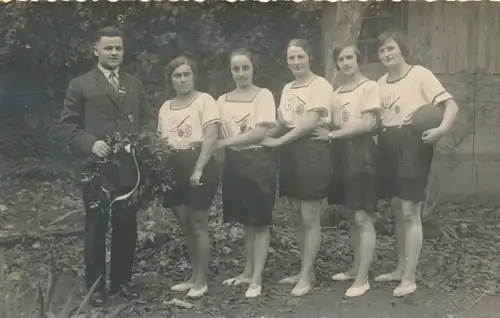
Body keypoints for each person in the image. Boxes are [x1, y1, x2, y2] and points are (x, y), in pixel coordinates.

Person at [59, 26, 157, 306]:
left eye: (118, 48)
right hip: (96, 169)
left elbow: (149, 119)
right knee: (96, 228)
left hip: (129, 168)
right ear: (96, 51)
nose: (114, 53)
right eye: (109, 48)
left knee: (127, 226)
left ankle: (121, 283)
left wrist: (140, 139)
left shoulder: (134, 83)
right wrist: (91, 143)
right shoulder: (81, 84)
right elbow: (67, 126)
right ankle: (97, 288)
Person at [374, 30, 459, 297]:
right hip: (388, 141)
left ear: (402, 50)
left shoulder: (420, 74)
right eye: (382, 51)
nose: (387, 54)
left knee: (410, 210)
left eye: (391, 49)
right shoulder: (380, 82)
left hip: (412, 141)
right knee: (398, 208)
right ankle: (400, 269)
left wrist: (441, 131)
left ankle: (410, 278)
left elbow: (452, 106)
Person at [261, 39, 333, 296]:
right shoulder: (287, 88)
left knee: (310, 217)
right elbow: (281, 122)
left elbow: (309, 123)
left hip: (312, 151)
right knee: (296, 215)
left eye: (300, 56)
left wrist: (278, 141)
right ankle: (306, 271)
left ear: (309, 57)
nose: (296, 62)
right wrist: (257, 136)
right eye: (291, 58)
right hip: (291, 153)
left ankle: (306, 276)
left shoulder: (321, 85)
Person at [312, 43, 379, 298]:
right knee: (352, 214)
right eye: (341, 59)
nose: (346, 62)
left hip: (361, 152)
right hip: (340, 152)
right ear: (337, 64)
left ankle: (363, 278)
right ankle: (355, 269)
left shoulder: (369, 87)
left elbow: (367, 123)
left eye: (350, 57)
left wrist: (331, 134)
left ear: (358, 59)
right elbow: (328, 120)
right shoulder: (337, 92)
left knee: (362, 216)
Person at [157, 55, 220, 299]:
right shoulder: (165, 107)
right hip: (174, 166)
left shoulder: (205, 100)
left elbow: (211, 137)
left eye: (187, 74)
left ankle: (202, 281)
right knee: (184, 223)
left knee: (198, 223)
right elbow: (162, 141)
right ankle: (193, 276)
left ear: (193, 76)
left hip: (199, 163)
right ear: (171, 80)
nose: (183, 79)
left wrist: (198, 169)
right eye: (177, 76)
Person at [216, 48, 277, 298]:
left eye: (245, 68)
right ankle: (247, 272)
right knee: (246, 221)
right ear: (230, 71)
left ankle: (257, 279)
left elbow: (259, 132)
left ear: (253, 68)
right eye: (236, 68)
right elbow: (218, 134)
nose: (241, 73)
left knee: (259, 222)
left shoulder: (263, 96)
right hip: (234, 163)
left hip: (258, 161)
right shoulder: (221, 100)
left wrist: (229, 142)